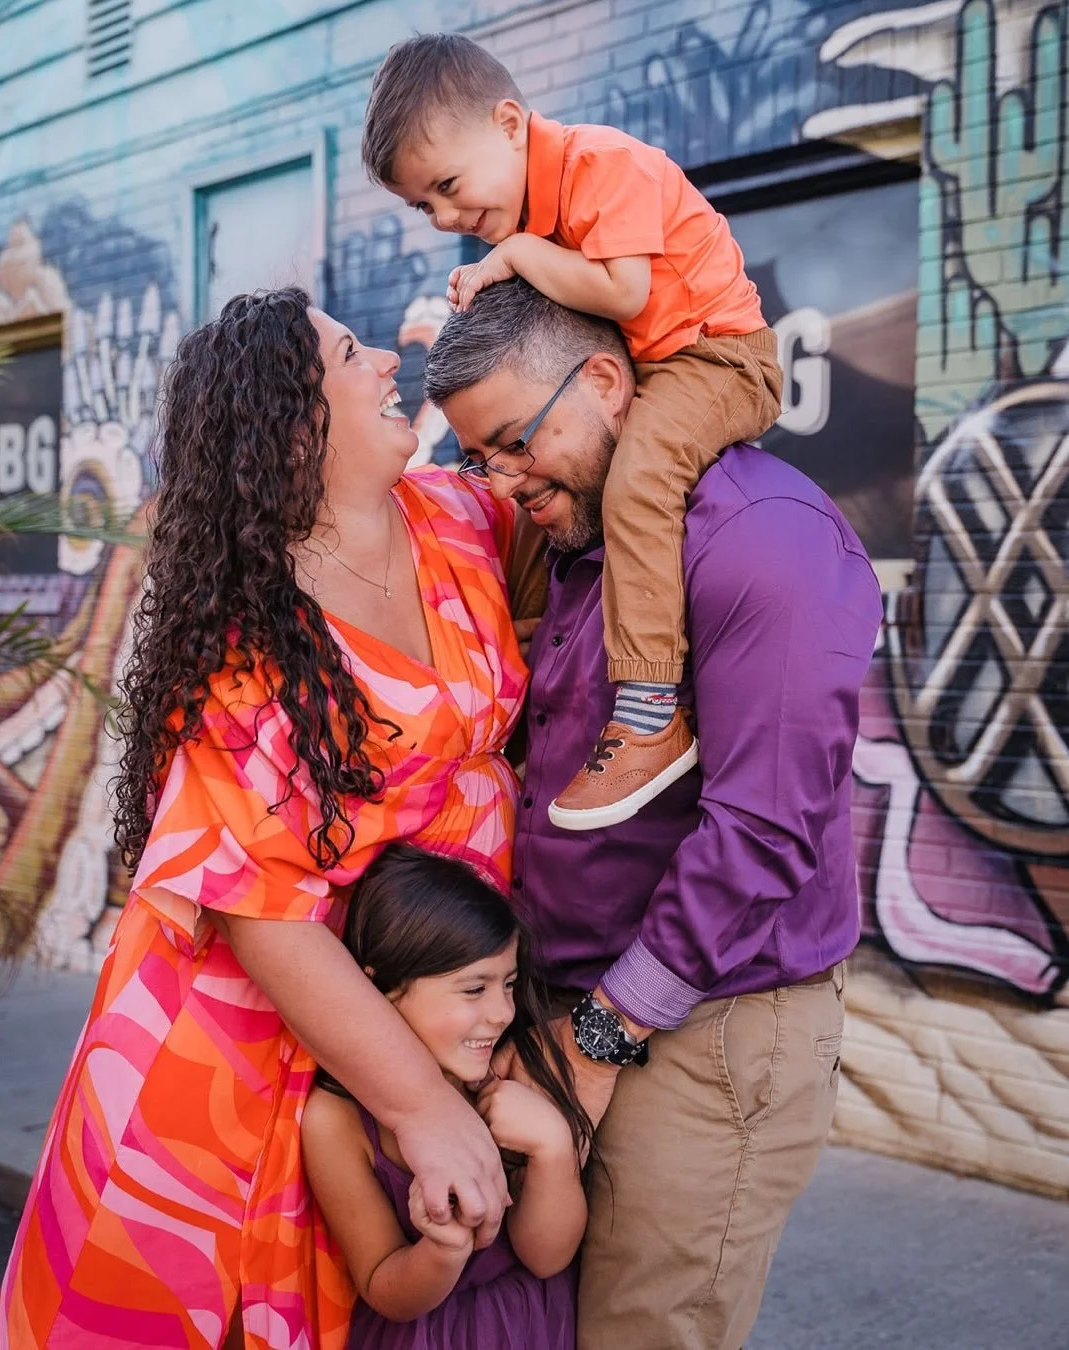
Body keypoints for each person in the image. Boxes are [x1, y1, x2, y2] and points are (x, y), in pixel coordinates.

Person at [0, 287, 529, 1350]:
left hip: (402, 996)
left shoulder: (462, 523)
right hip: (233, 1046)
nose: (385, 359)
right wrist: (421, 1109)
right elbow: (265, 914)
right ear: (293, 423)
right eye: (348, 353)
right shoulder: (249, 639)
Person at [423, 278, 884, 1350]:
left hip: (705, 1030)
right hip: (580, 1010)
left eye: (515, 442)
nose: (503, 478)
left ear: (604, 382)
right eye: (479, 456)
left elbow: (764, 832)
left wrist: (596, 1039)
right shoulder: (585, 543)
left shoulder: (759, 537)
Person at [362, 33, 783, 832]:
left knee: (637, 480)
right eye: (425, 206)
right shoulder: (535, 211)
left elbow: (624, 294)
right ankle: (552, 667)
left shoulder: (601, 165)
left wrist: (518, 251)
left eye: (448, 186)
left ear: (512, 123)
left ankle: (652, 711)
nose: (448, 217)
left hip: (721, 358)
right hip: (661, 362)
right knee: (549, 503)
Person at [302, 843, 589, 1349]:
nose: (502, 1012)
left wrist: (552, 1146)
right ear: (382, 989)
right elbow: (380, 1285)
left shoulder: (511, 1071)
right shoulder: (337, 1119)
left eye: (510, 984)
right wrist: (442, 1250)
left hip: (529, 1327)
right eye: (474, 989)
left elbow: (547, 1258)